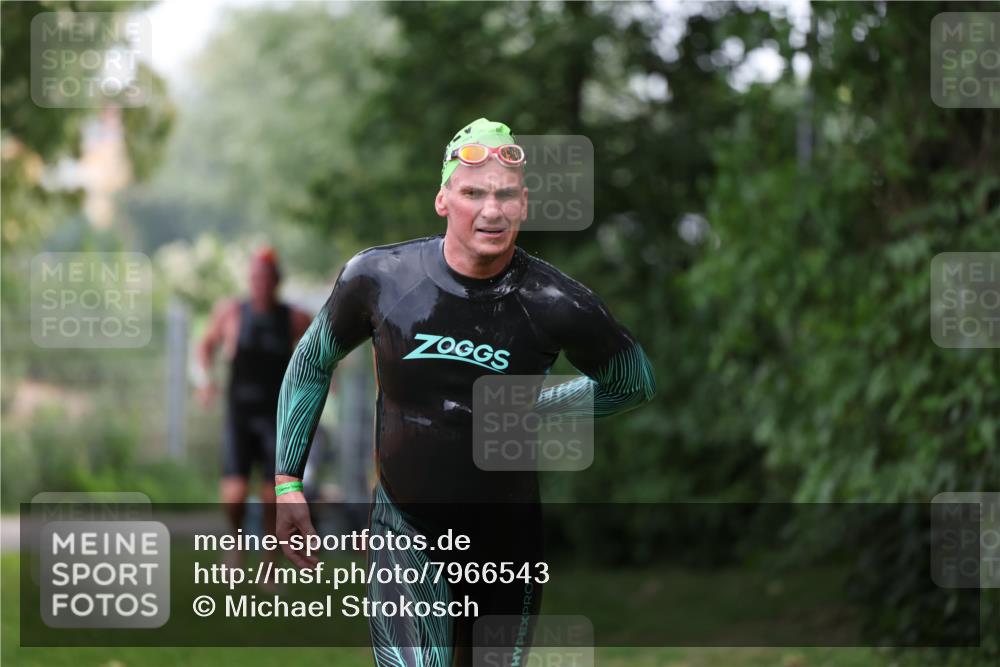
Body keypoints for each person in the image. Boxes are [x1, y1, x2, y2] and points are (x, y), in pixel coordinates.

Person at [274, 118, 656, 666]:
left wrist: (532, 409)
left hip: (507, 541)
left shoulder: (554, 302)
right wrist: (288, 481)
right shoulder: (380, 277)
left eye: (505, 195)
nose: (491, 211)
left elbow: (632, 381)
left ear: (524, 204)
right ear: (443, 199)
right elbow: (312, 361)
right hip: (407, 527)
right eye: (473, 192)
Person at [196, 246, 312, 570]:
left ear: (277, 281)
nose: (261, 283)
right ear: (250, 280)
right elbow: (204, 346)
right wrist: (204, 381)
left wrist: (317, 388)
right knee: (233, 493)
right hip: (240, 416)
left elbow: (318, 357)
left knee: (271, 493)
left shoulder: (294, 317)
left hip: (278, 416)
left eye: (267, 277)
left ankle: (269, 560)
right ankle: (235, 545)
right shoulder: (231, 312)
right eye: (256, 277)